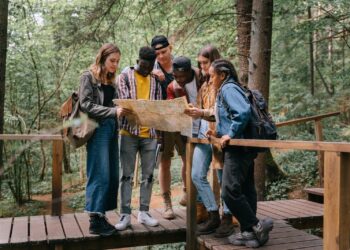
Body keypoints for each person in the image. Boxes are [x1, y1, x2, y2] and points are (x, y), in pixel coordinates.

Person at [208, 59, 273, 248]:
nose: (211, 79)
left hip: (238, 148)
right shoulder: (231, 88)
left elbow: (242, 112)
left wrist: (231, 133)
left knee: (229, 191)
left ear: (222, 75)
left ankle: (256, 226)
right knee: (245, 189)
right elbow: (232, 116)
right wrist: (219, 133)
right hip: (242, 146)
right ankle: (248, 233)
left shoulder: (228, 88)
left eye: (212, 76)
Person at [79, 43, 130, 236]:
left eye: (117, 61)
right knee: (98, 173)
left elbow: (115, 104)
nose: (115, 65)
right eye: (112, 61)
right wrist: (112, 111)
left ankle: (101, 216)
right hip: (97, 129)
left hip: (111, 128)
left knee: (110, 174)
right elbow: (86, 105)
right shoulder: (88, 77)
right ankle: (94, 220)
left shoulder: (111, 80)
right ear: (102, 58)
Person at [184, 45, 235, 237]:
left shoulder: (225, 85)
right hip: (203, 135)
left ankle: (227, 219)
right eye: (200, 63)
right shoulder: (204, 85)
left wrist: (203, 114)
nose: (202, 66)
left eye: (205, 62)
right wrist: (191, 109)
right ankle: (213, 214)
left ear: (214, 61)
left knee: (224, 180)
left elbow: (221, 112)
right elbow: (201, 108)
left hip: (221, 137)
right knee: (196, 174)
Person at [114, 46, 162, 231]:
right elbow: (126, 104)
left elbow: (157, 108)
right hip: (128, 133)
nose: (147, 68)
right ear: (138, 60)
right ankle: (125, 214)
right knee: (126, 176)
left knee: (148, 176)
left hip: (149, 134)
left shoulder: (155, 81)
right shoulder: (125, 76)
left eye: (150, 66)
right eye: (144, 64)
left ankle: (144, 212)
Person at [151, 35, 187, 219]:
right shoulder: (151, 69)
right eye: (157, 54)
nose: (161, 57)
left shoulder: (180, 65)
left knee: (186, 157)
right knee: (164, 162)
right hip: (163, 122)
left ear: (170, 48)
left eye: (164, 52)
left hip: (182, 119)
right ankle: (167, 204)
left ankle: (187, 190)